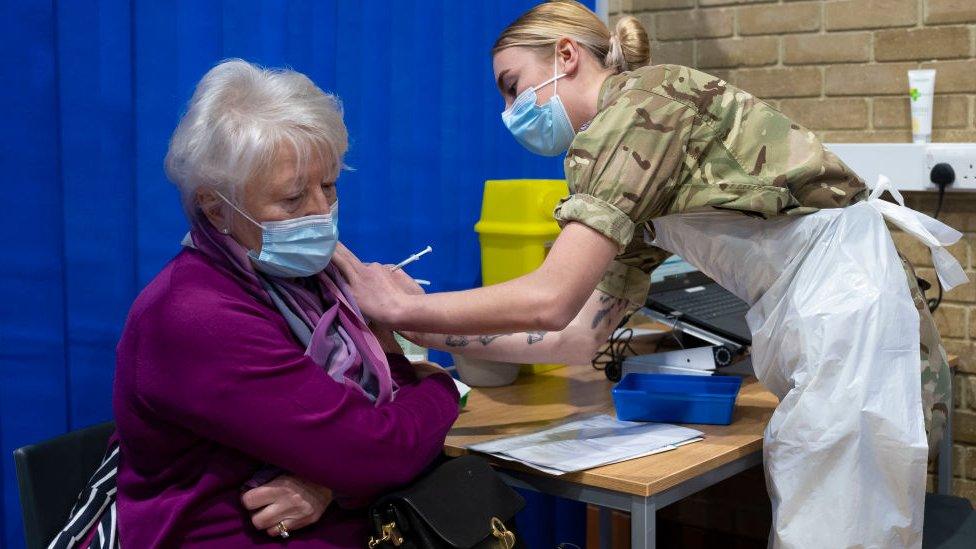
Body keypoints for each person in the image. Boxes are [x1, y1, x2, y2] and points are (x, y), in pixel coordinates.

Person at [333, 2, 965, 548]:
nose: (509, 110)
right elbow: (577, 335)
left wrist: (404, 310)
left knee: (841, 528)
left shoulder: (643, 108)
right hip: (825, 307)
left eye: (512, 84)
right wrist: (431, 339)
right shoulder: (618, 165)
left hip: (848, 306)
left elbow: (551, 299)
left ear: (567, 54)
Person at [111, 59, 460, 547]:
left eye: (330, 186)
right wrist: (439, 384)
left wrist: (332, 481)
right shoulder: (194, 315)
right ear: (217, 207)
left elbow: (359, 447)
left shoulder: (305, 279)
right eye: (293, 198)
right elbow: (379, 451)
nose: (321, 211)